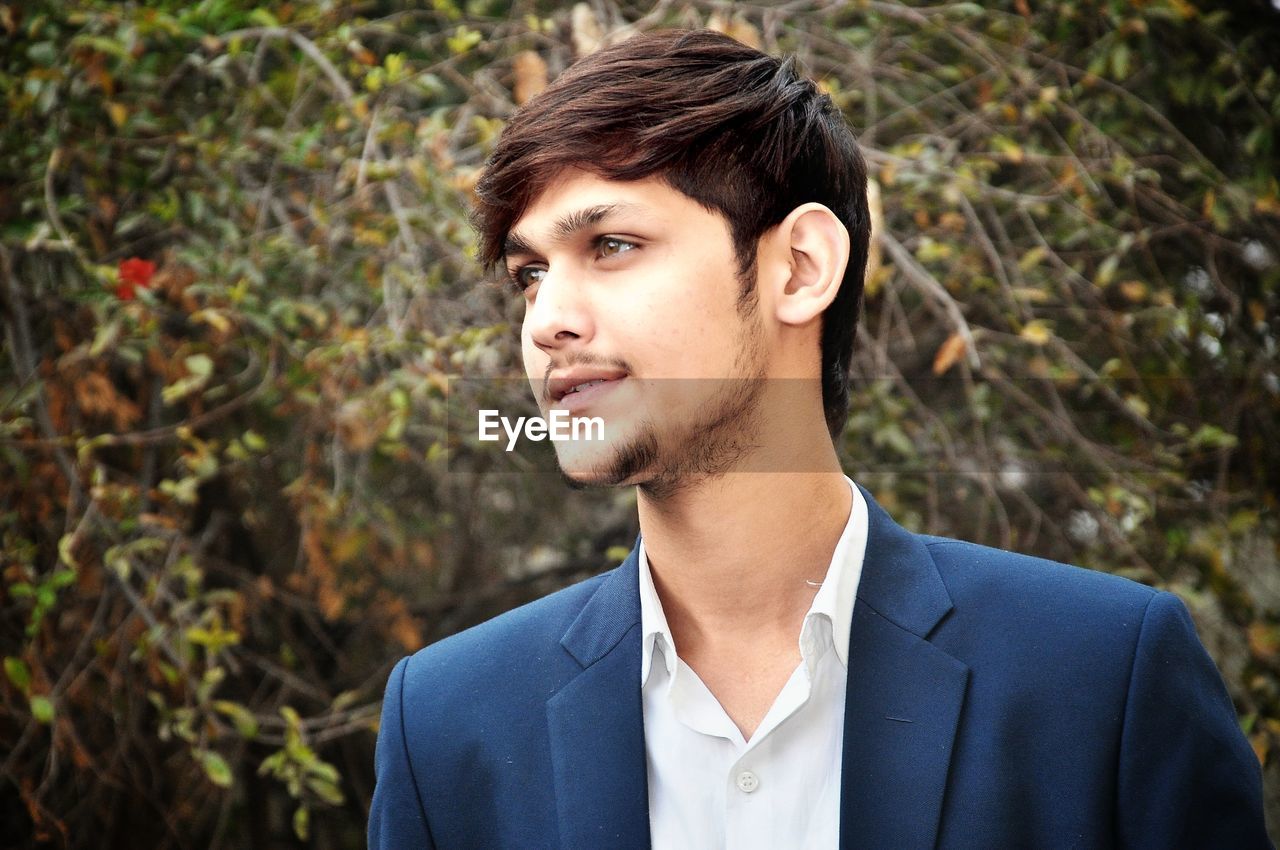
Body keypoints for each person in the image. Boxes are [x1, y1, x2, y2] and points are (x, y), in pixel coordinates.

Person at [368, 29, 1270, 849]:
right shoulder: (449, 725)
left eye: (610, 245)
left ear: (800, 268)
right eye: (529, 274)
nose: (547, 323)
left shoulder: (1103, 678)